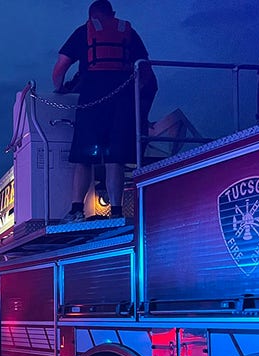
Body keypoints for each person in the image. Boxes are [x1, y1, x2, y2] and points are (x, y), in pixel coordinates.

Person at [52, 0, 156, 222]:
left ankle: (77, 210)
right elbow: (145, 71)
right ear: (113, 13)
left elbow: (60, 67)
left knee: (83, 157)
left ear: (90, 17)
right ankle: (116, 211)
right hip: (122, 102)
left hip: (91, 101)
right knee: (114, 158)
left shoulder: (83, 32)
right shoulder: (128, 32)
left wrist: (59, 88)